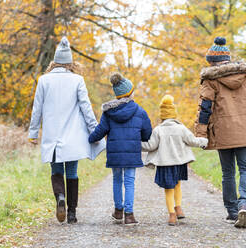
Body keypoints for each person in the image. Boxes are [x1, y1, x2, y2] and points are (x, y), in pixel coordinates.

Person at [28, 37, 105, 224]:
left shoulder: (44, 80)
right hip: (73, 137)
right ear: (70, 62)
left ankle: (60, 198)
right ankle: (71, 213)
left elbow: (36, 109)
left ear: (54, 61)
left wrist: (32, 134)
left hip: (52, 137)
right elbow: (86, 108)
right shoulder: (77, 80)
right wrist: (96, 132)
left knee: (56, 171)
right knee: (72, 172)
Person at [194, 37, 246, 228]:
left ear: (212, 62)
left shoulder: (211, 79)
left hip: (223, 132)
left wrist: (201, 134)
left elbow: (205, 109)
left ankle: (233, 211)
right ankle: (244, 204)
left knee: (227, 172)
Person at [88, 73, 152, 226]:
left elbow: (100, 131)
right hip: (131, 153)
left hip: (115, 154)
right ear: (130, 92)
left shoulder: (109, 112)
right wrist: (139, 137)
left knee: (117, 180)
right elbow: (147, 133)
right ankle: (129, 215)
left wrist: (90, 139)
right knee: (129, 182)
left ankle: (118, 212)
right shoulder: (140, 111)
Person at [142, 95, 208, 226]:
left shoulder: (158, 130)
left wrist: (135, 144)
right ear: (174, 114)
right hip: (179, 163)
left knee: (168, 189)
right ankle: (179, 208)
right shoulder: (181, 128)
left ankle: (172, 214)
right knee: (177, 184)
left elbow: (150, 146)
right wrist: (204, 141)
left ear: (162, 115)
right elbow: (193, 141)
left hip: (165, 164)